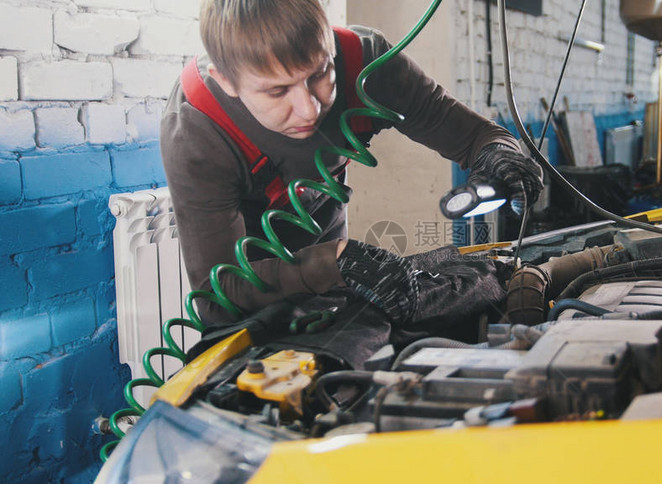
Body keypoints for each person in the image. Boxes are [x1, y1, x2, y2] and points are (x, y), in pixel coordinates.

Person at [160, 0, 542, 325]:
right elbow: (217, 292)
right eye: (277, 91)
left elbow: (479, 136)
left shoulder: (368, 64)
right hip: (254, 306)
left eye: (320, 73)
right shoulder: (197, 129)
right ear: (225, 80)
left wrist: (502, 156)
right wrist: (335, 263)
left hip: (336, 277)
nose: (309, 108)